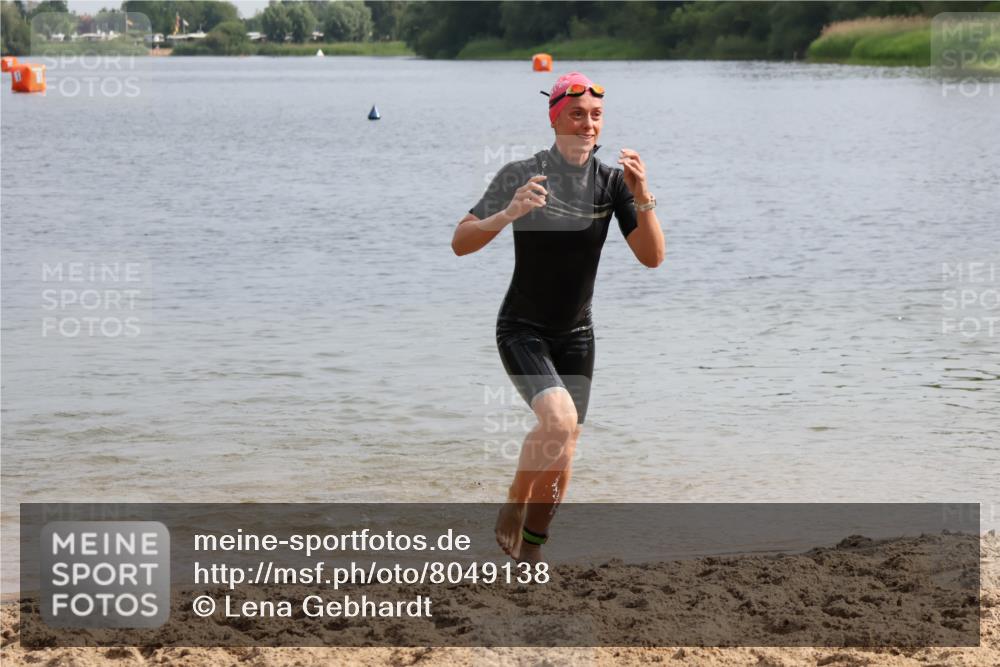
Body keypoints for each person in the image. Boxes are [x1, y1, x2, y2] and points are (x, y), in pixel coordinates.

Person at [452, 72, 665, 563]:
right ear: (555, 120)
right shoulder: (521, 175)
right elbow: (460, 242)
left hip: (577, 335)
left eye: (595, 115)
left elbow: (652, 258)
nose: (588, 124)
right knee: (559, 419)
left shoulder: (614, 183)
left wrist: (643, 195)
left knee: (564, 447)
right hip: (523, 330)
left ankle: (530, 553)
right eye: (576, 114)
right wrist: (506, 214)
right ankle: (513, 501)